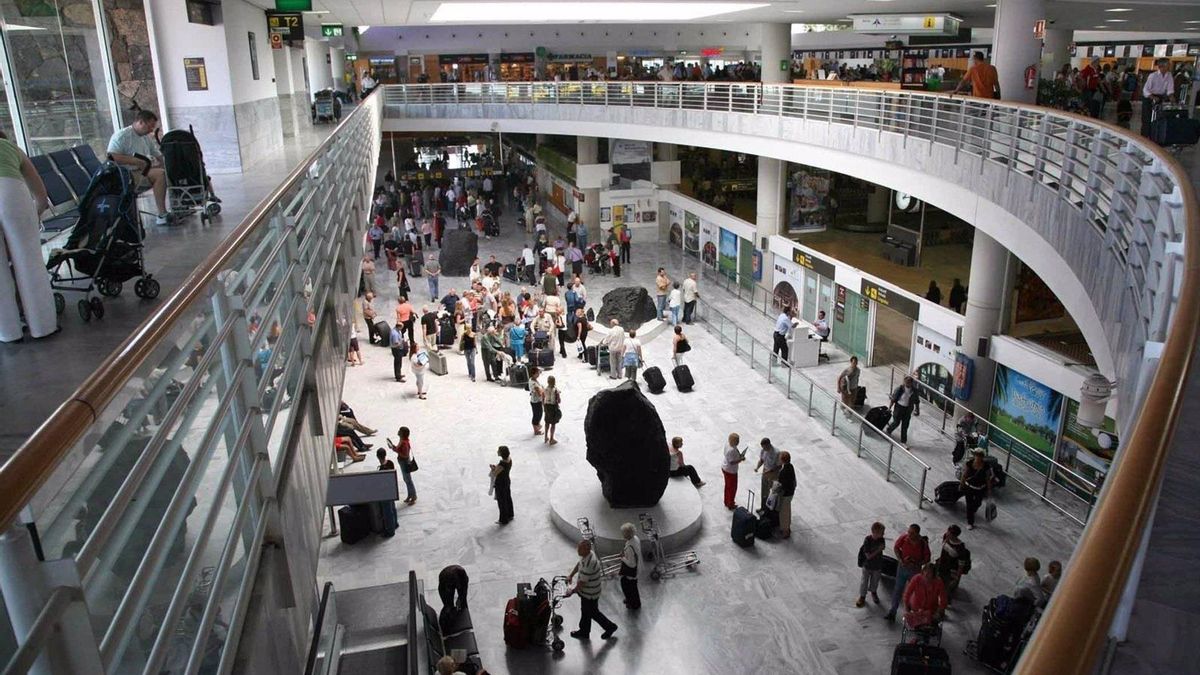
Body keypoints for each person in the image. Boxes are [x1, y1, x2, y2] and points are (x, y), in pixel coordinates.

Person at [0, 132, 56, 342]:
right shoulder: (9, 147)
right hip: (11, 194)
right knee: (29, 262)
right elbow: (39, 190)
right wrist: (36, 212)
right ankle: (43, 327)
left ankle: (7, 333)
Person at [106, 110, 171, 224]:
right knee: (160, 175)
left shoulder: (145, 137)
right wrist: (136, 161)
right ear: (140, 122)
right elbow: (111, 156)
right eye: (150, 126)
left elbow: (158, 155)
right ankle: (162, 214)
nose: (151, 130)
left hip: (142, 170)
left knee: (167, 171)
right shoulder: (122, 136)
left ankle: (178, 206)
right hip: (126, 175)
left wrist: (168, 165)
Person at [565, 540, 618, 640]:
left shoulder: (590, 562)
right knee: (586, 612)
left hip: (590, 594)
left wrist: (572, 591)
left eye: (580, 549)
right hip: (588, 592)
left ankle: (610, 627)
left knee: (593, 613)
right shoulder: (587, 555)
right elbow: (579, 564)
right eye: (578, 547)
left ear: (587, 549)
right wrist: (571, 575)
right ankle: (584, 632)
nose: (578, 550)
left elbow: (582, 582)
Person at [885, 523, 931, 622]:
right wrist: (901, 560)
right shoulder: (904, 538)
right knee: (898, 589)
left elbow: (927, 558)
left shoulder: (923, 544)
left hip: (915, 571)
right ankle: (892, 611)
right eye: (909, 532)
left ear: (917, 534)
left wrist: (917, 563)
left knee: (913, 592)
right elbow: (896, 548)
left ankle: (911, 613)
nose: (909, 534)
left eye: (912, 533)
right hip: (902, 568)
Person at [934, 524, 970, 604]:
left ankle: (946, 601)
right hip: (942, 565)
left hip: (951, 570)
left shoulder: (960, 548)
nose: (947, 533)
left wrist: (956, 578)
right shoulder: (946, 537)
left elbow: (961, 565)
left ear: (954, 535)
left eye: (949, 532)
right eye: (948, 531)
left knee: (947, 588)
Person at [1142, 57, 1176, 138]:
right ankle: (1144, 137)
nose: (1170, 66)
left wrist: (1171, 97)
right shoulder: (1153, 76)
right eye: (1168, 64)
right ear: (1162, 66)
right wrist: (1152, 97)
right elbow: (1145, 90)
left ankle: (1155, 137)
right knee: (1147, 119)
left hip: (1160, 97)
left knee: (1158, 118)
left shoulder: (1169, 75)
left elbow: (1170, 89)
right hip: (1149, 97)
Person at [855, 522, 887, 607]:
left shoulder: (881, 539)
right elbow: (868, 556)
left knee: (875, 580)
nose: (883, 534)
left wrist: (880, 549)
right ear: (875, 532)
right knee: (864, 581)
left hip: (877, 565)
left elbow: (883, 546)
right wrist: (878, 550)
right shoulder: (868, 540)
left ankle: (873, 592)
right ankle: (862, 596)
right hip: (867, 565)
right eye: (882, 532)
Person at [960, 450, 994, 530]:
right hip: (969, 488)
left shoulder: (986, 466)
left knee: (978, 503)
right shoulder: (969, 464)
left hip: (980, 488)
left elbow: (987, 478)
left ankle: (971, 512)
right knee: (969, 505)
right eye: (976, 455)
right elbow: (964, 475)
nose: (978, 458)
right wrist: (961, 484)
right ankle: (970, 522)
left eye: (980, 456)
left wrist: (989, 489)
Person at [885, 376, 920, 444]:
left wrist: (917, 410)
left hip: (908, 409)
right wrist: (889, 408)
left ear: (911, 383)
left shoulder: (914, 391)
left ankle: (903, 441)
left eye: (909, 382)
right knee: (896, 422)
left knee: (905, 425)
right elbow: (893, 399)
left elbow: (917, 401)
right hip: (899, 408)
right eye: (906, 382)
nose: (907, 384)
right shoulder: (899, 389)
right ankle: (889, 429)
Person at [616, 522, 642, 610]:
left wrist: (622, 557)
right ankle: (632, 601)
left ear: (626, 534)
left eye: (623, 533)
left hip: (631, 572)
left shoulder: (630, 547)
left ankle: (633, 603)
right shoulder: (635, 538)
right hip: (637, 568)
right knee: (633, 587)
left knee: (627, 586)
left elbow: (632, 564)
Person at [389, 427, 417, 504]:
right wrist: (394, 447)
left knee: (408, 480)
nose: (398, 431)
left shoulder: (404, 443)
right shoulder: (402, 440)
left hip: (404, 462)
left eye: (400, 431)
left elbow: (405, 455)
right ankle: (410, 495)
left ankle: (413, 496)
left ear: (402, 433)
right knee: (406, 479)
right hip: (402, 462)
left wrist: (396, 451)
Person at [754, 438, 782, 512]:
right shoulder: (763, 450)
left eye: (765, 447)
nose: (764, 449)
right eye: (762, 447)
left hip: (773, 474)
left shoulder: (777, 453)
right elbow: (761, 460)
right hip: (765, 471)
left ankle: (771, 510)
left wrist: (771, 470)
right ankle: (763, 508)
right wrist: (757, 467)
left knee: (773, 492)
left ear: (768, 445)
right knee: (764, 491)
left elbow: (779, 466)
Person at [721, 432, 746, 510]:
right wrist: (741, 459)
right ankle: (730, 504)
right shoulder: (732, 450)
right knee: (732, 488)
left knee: (727, 486)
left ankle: (726, 501)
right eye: (737, 440)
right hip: (730, 471)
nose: (738, 442)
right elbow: (732, 462)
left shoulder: (728, 444)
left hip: (725, 468)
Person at [490, 446, 513, 524]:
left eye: (498, 451)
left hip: (501, 483)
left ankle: (503, 519)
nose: (497, 452)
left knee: (502, 501)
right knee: (508, 498)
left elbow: (494, 474)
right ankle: (510, 514)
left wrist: (493, 469)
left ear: (502, 453)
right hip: (507, 480)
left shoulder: (502, 464)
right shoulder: (509, 459)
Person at [775, 451, 795, 538]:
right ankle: (787, 527)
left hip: (785, 494)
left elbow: (781, 484)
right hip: (790, 492)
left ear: (782, 460)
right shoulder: (791, 466)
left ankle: (785, 531)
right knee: (787, 510)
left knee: (783, 512)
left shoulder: (783, 471)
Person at [543, 375, 561, 445]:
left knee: (547, 422)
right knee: (553, 424)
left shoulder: (545, 389)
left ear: (548, 382)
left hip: (546, 406)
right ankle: (551, 439)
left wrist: (544, 406)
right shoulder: (556, 390)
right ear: (554, 382)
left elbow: (543, 398)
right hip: (553, 407)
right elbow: (559, 401)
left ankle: (545, 437)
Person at [529, 366, 544, 436]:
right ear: (533, 374)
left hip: (536, 400)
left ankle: (537, 425)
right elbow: (539, 393)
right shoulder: (533, 383)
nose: (538, 374)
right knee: (537, 415)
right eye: (537, 373)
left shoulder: (533, 379)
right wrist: (543, 391)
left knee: (538, 414)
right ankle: (536, 430)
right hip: (536, 401)